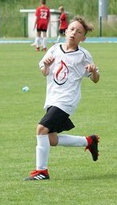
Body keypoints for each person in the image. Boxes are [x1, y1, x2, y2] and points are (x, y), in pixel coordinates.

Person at [24, 16, 101, 181]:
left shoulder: (83, 55)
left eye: (79, 32)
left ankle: (41, 172)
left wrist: (94, 71)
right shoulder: (54, 49)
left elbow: (95, 79)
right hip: (52, 99)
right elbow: (44, 71)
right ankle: (89, 141)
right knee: (51, 139)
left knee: (41, 129)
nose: (74, 33)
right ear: (66, 31)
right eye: (72, 29)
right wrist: (46, 65)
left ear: (83, 38)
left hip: (67, 100)